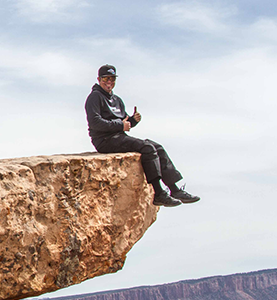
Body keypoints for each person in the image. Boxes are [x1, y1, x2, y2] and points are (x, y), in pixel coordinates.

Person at [85, 64, 199, 207]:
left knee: (157, 147)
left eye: (112, 79)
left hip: (119, 137)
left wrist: (133, 120)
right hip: (104, 140)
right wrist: (121, 125)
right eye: (106, 78)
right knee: (147, 148)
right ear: (99, 79)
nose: (109, 82)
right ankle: (159, 194)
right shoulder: (95, 97)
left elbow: (125, 122)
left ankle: (175, 190)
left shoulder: (117, 100)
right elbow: (95, 122)